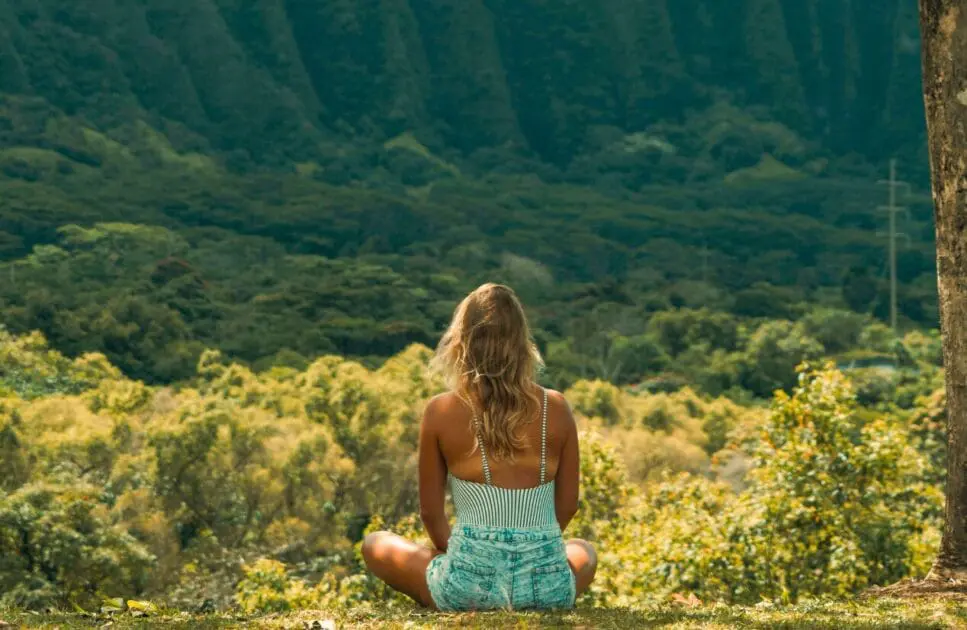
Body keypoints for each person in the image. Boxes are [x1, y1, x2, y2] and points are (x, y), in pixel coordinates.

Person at [362, 283, 597, 611]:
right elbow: (568, 505)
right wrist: (530, 550)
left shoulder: (441, 411)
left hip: (468, 588)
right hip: (547, 586)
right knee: (584, 550)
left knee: (376, 543)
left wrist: (471, 558)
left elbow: (431, 513)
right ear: (522, 342)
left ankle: (457, 588)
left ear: (462, 341)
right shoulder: (556, 407)